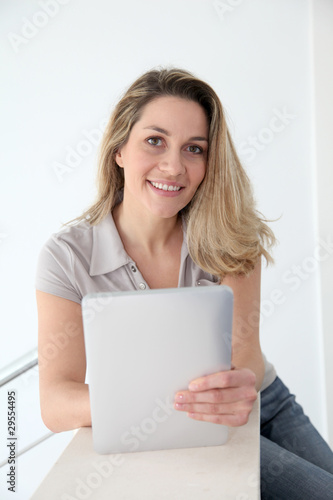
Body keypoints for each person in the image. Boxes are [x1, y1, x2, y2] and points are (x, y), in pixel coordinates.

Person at [35, 67, 333, 499]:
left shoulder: (229, 236)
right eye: (155, 140)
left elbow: (243, 360)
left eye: (194, 149)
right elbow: (56, 402)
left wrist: (231, 387)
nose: (174, 166)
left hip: (263, 405)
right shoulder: (66, 257)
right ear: (119, 149)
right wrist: (149, 408)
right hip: (161, 423)